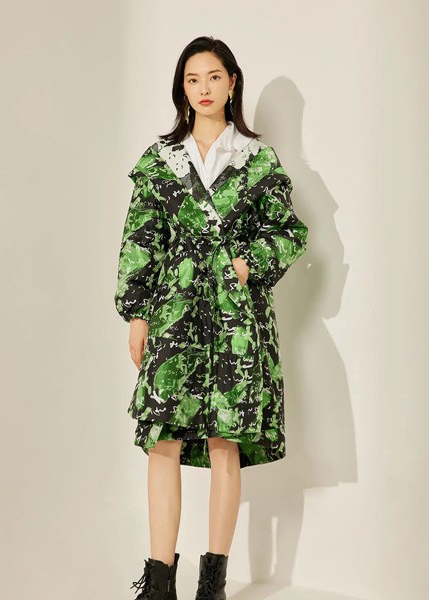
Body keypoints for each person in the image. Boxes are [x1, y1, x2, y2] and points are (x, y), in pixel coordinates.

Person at [114, 36, 309, 600]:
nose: (203, 88)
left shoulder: (257, 158)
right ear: (182, 87)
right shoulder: (161, 160)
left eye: (214, 77)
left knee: (226, 438)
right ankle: (158, 582)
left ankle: (213, 584)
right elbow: (141, 239)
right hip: (174, 313)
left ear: (232, 83)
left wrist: (251, 264)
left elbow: (290, 231)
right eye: (193, 78)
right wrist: (137, 314)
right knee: (163, 439)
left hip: (236, 319)